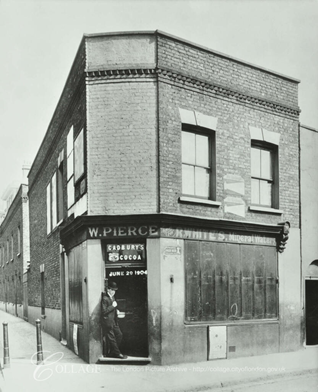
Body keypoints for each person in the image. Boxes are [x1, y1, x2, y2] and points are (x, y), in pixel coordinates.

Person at [101, 280, 127, 359]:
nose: (113, 292)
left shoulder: (112, 297)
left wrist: (116, 310)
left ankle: (113, 352)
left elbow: (112, 309)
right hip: (108, 322)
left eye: (114, 290)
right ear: (108, 289)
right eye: (112, 290)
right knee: (112, 338)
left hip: (114, 321)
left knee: (119, 335)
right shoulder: (105, 299)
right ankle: (117, 353)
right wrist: (113, 306)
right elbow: (104, 311)